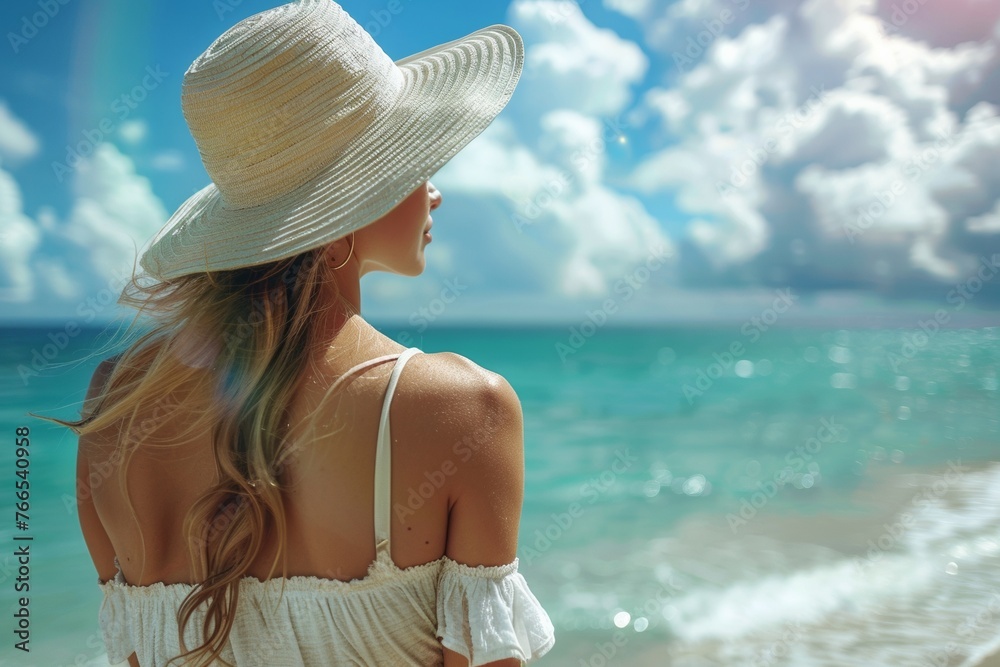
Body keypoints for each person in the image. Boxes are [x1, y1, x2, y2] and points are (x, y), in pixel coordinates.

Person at [35, 1, 556, 665]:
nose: (435, 191)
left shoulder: (116, 403)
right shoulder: (457, 407)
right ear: (353, 194)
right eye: (413, 156)